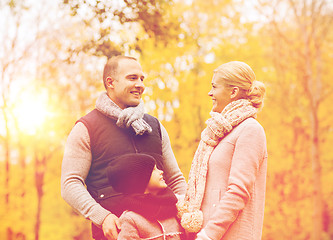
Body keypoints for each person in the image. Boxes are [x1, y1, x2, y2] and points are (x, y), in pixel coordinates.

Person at [61, 55, 187, 240]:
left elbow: (175, 179)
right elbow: (70, 184)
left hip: (167, 231)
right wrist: (102, 217)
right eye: (133, 78)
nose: (141, 85)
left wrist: (186, 211)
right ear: (110, 82)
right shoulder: (86, 128)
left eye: (142, 79)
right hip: (117, 233)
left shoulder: (155, 126)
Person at [177, 61, 268, 240]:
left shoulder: (250, 130)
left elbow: (238, 191)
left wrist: (208, 235)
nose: (210, 93)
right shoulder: (219, 133)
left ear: (233, 92)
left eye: (214, 87)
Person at [105, 153, 186, 239]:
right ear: (139, 181)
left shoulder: (175, 207)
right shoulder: (130, 220)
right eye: (154, 169)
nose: (161, 172)